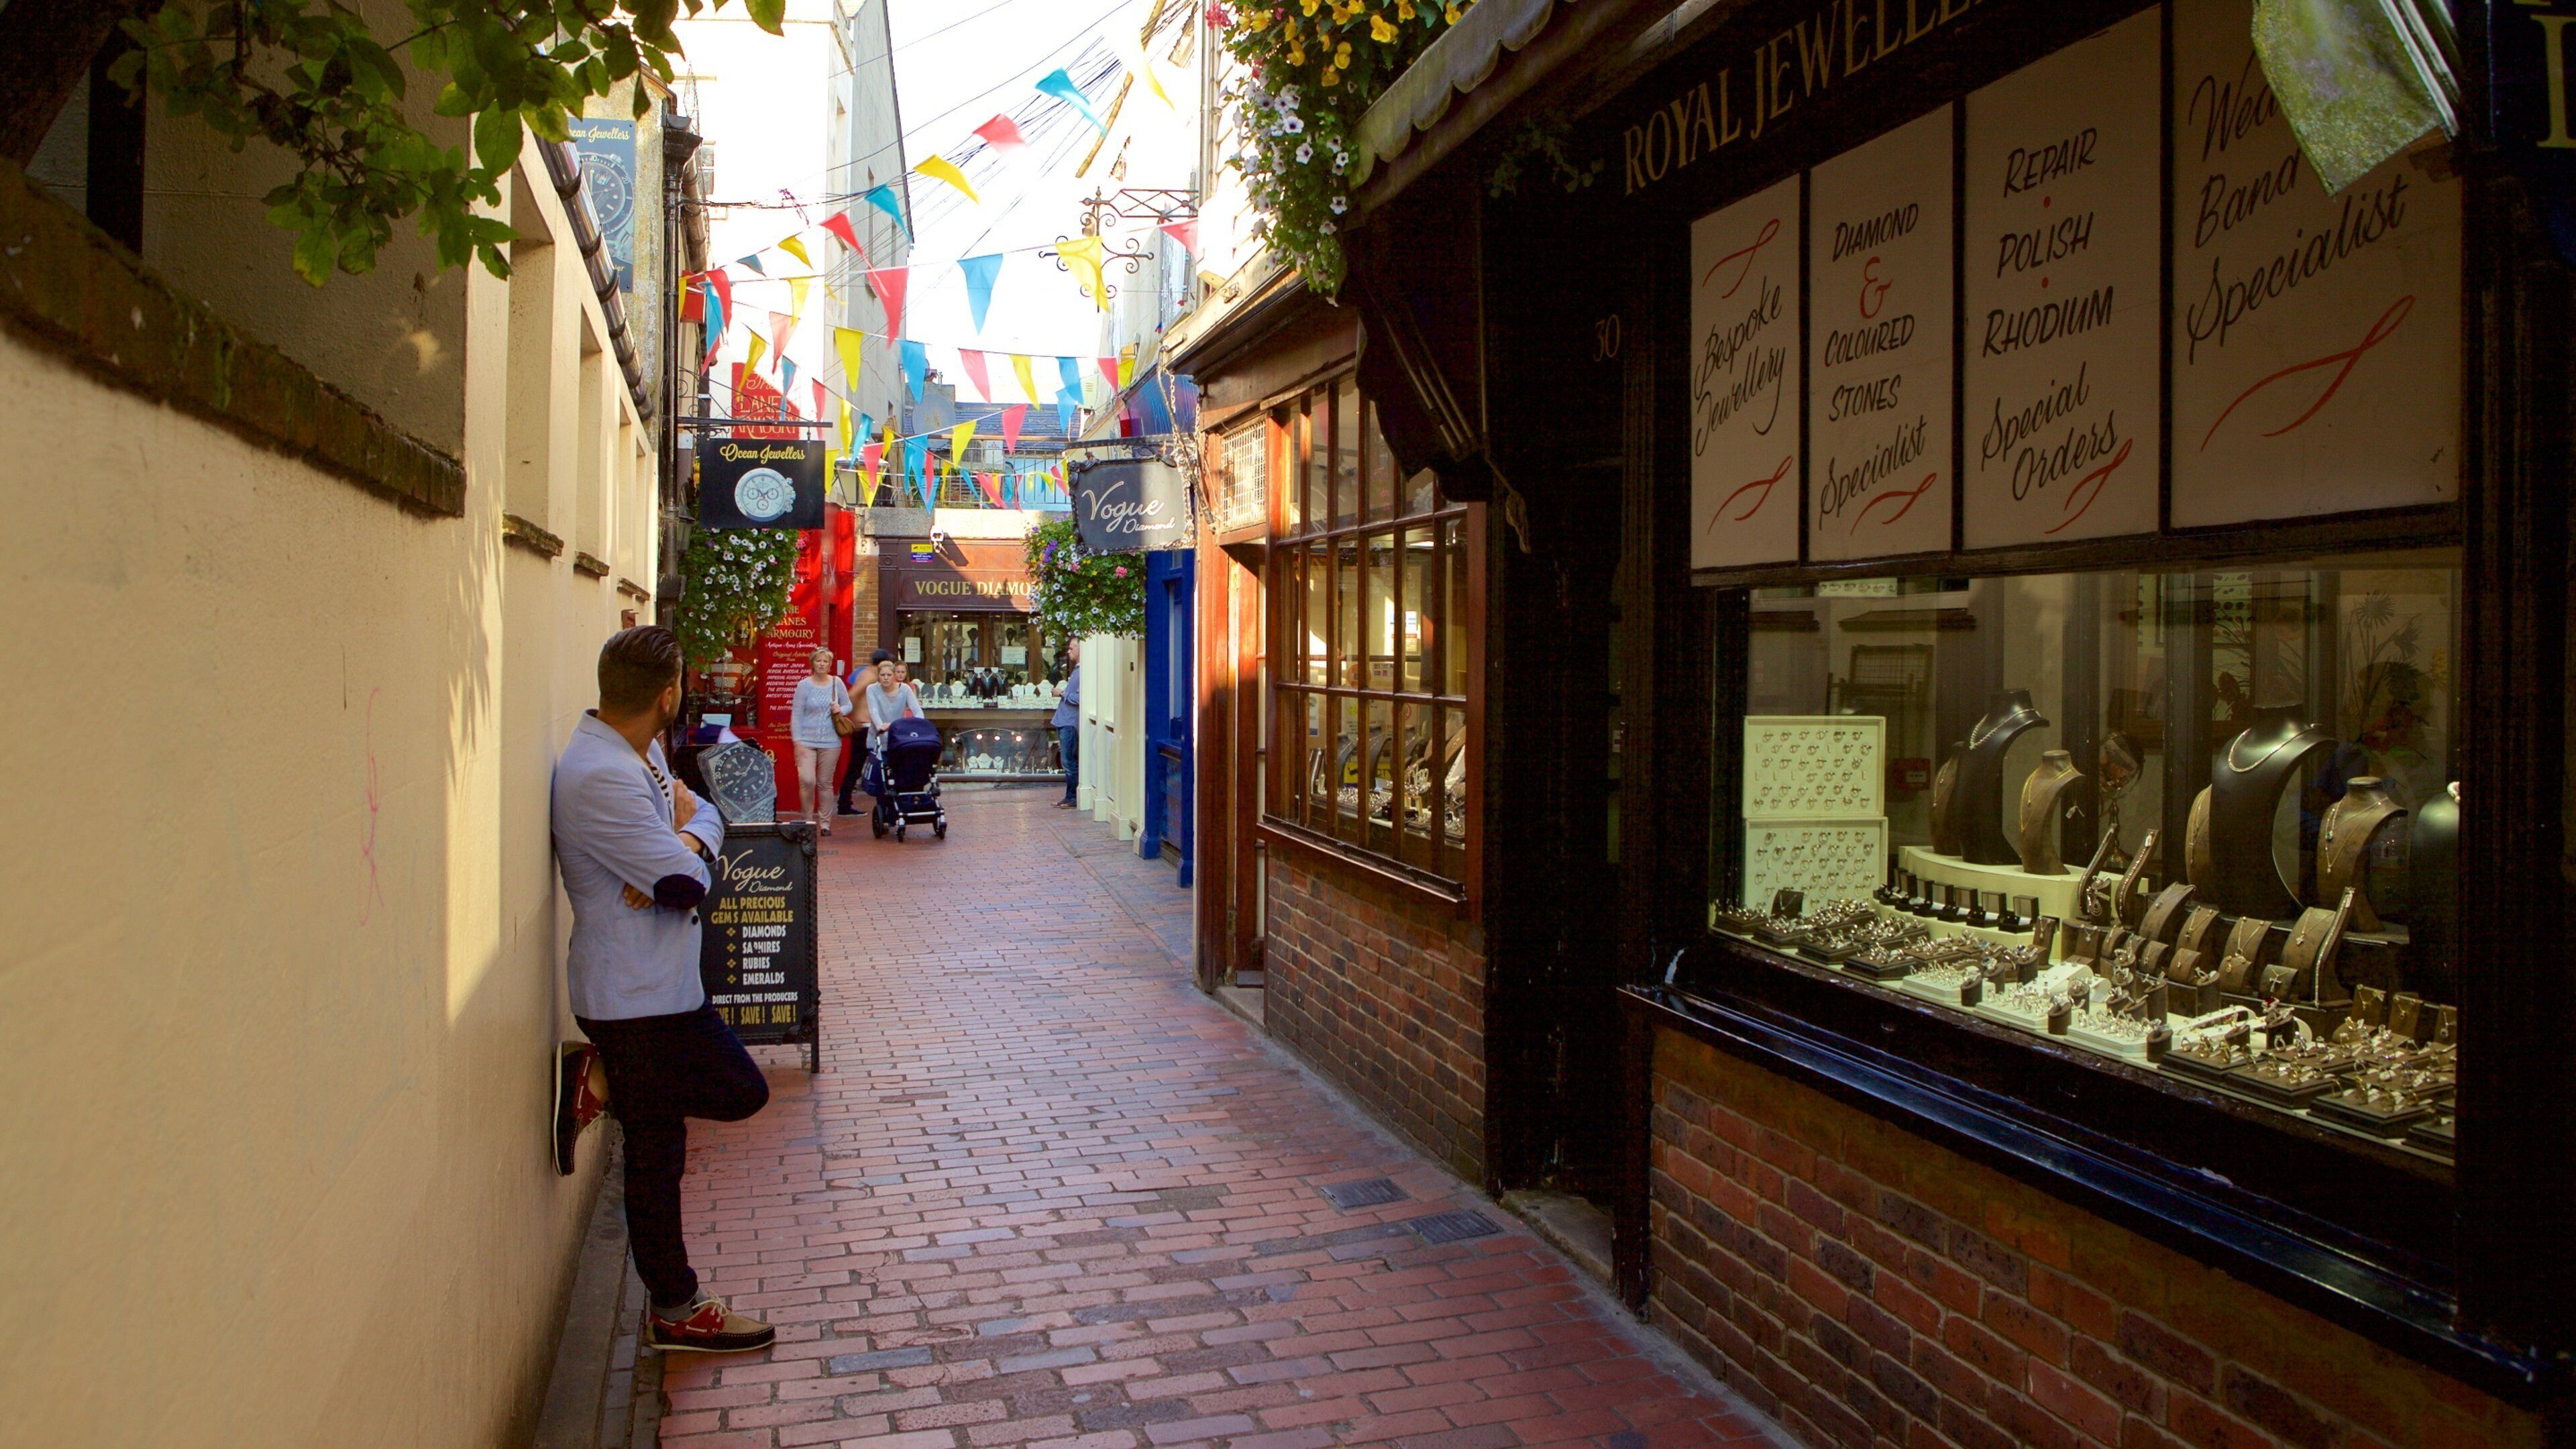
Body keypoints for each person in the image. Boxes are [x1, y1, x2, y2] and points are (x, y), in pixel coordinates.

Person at [550, 625, 775, 1354]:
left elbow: (697, 821)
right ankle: (677, 1310)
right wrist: (689, 845)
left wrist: (688, 833)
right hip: (634, 997)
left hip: (665, 989)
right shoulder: (602, 774)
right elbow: (685, 885)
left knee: (730, 1098)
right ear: (670, 693)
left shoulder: (637, 750)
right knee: (659, 1154)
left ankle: (608, 1079)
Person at [788, 647, 852, 834]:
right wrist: (797, 742)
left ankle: (825, 823)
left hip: (831, 741)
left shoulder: (836, 683)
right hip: (807, 741)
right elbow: (797, 715)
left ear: (830, 665)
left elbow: (849, 705)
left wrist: (840, 709)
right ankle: (807, 820)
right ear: (812, 664)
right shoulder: (804, 685)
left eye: (825, 661)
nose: (822, 664)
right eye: (818, 661)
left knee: (825, 783)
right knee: (807, 780)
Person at [835, 653, 880, 816]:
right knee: (856, 767)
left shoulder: (866, 673)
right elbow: (853, 695)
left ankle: (844, 804)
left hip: (865, 726)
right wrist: (854, 718)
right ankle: (844, 805)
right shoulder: (871, 675)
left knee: (856, 766)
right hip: (865, 727)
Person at [1053, 639, 1082, 809]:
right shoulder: (1077, 671)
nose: (1068, 651)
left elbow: (1079, 698)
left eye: (1072, 648)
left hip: (1070, 722)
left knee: (1069, 762)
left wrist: (1061, 693)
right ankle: (1069, 796)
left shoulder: (1083, 672)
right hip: (1065, 720)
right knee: (1068, 761)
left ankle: (1072, 797)